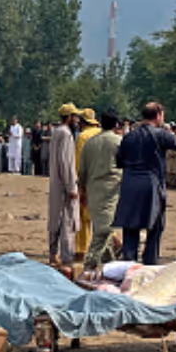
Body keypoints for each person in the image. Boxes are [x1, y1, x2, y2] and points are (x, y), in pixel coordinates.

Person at [114, 102, 176, 265]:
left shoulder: (128, 136)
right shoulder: (160, 134)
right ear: (158, 115)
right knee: (155, 227)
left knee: (130, 228)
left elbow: (119, 161)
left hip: (130, 184)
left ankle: (127, 266)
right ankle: (149, 264)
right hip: (151, 185)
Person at [79, 109, 124, 269]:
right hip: (111, 190)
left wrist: (82, 192)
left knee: (101, 226)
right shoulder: (119, 142)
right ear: (116, 124)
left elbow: (82, 171)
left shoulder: (90, 142)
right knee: (104, 230)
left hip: (93, 189)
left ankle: (109, 264)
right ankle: (90, 263)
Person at [46, 104, 81, 269]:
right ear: (69, 117)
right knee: (67, 221)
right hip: (64, 184)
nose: (77, 120)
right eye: (75, 116)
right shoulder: (66, 134)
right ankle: (66, 258)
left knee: (55, 219)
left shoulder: (56, 132)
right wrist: (71, 187)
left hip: (55, 182)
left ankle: (53, 254)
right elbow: (66, 163)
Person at [73, 109, 102, 263]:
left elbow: (79, 164)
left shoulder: (82, 137)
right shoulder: (103, 134)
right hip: (103, 182)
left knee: (83, 218)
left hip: (89, 181)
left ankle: (81, 250)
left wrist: (80, 186)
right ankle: (112, 244)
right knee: (100, 217)